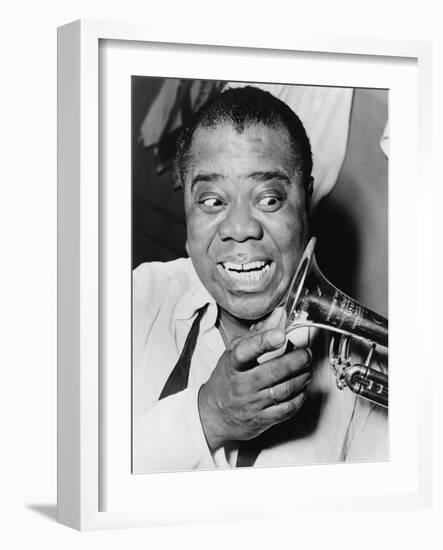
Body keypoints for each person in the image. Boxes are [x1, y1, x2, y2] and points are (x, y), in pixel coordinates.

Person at [133, 86, 388, 473]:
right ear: (186, 211)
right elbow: (71, 471)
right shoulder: (134, 299)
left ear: (306, 203)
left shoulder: (362, 367)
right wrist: (208, 417)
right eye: (212, 201)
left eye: (269, 199)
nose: (239, 229)